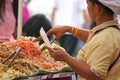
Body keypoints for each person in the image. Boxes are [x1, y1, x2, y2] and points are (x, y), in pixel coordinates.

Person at [45, 0, 120, 80]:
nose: (87, 8)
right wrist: (68, 29)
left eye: (87, 4)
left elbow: (95, 75)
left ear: (97, 8)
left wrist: (66, 58)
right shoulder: (112, 30)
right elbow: (93, 37)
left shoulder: (104, 39)